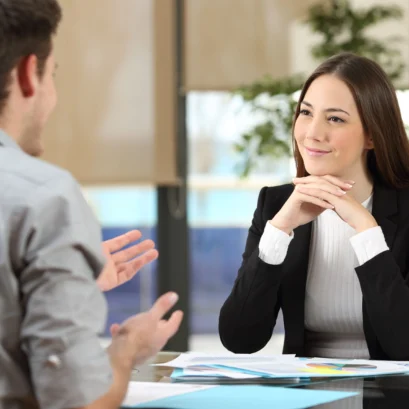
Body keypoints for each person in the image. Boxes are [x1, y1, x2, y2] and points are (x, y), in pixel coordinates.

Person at [0, 1, 183, 408]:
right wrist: (127, 348)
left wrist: (61, 279)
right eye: (53, 76)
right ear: (30, 74)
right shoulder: (44, 197)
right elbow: (81, 402)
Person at [219, 52, 409, 361]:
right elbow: (240, 338)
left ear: (372, 135)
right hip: (307, 394)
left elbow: (405, 345)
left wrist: (366, 230)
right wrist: (279, 231)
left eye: (335, 118)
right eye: (306, 113)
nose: (312, 133)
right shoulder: (277, 205)